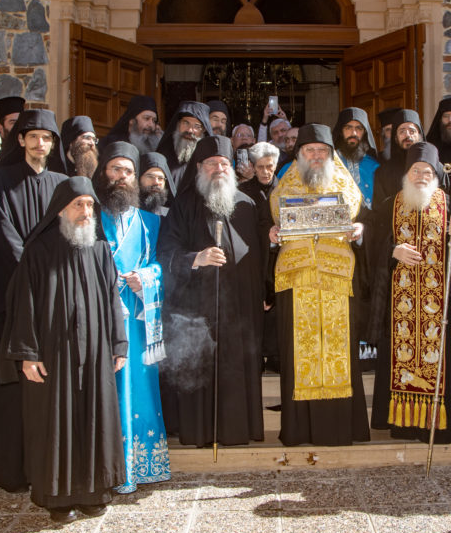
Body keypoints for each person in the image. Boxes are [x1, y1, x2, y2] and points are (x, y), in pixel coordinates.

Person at [1, 177, 127, 523]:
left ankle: (94, 492)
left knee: (95, 420)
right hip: (53, 355)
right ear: (60, 210)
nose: (86, 212)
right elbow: (23, 304)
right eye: (78, 205)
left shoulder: (100, 249)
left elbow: (111, 299)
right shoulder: (38, 251)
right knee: (56, 425)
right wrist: (27, 354)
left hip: (96, 353)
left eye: (90, 205)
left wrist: (118, 343)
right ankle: (58, 499)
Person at [0, 108, 67, 493]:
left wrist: (50, 277)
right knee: (14, 385)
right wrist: (31, 270)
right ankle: (14, 470)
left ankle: (49, 465)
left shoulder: (62, 182)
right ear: (20, 140)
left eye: (46, 138)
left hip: (54, 296)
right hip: (13, 292)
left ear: (53, 144)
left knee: (50, 384)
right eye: (33, 137)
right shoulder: (1, 179)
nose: (40, 143)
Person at [156, 136, 265, 448]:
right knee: (203, 367)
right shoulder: (183, 205)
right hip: (197, 309)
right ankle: (202, 432)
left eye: (224, 163)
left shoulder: (246, 205)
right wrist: (196, 258)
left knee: (237, 367)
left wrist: (262, 293)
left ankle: (239, 431)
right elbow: (165, 253)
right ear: (199, 167)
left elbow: (259, 257)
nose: (219, 168)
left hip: (239, 308)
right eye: (212, 163)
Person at [268, 124, 371, 446]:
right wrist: (270, 234)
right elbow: (267, 226)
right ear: (299, 154)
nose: (316, 155)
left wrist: (360, 229)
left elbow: (368, 222)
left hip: (336, 279)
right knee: (298, 355)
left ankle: (340, 428)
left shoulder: (347, 186)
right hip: (297, 280)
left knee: (339, 352)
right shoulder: (283, 187)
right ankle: (299, 429)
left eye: (322, 151)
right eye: (309, 150)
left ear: (331, 154)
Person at [367, 143, 451, 444]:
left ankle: (439, 425)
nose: (421, 177)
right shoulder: (389, 205)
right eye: (416, 171)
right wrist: (393, 251)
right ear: (406, 174)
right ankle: (402, 424)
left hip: (439, 309)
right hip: (399, 305)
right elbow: (372, 246)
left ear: (436, 175)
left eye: (427, 172)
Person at [93, 143, 171, 493]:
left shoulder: (151, 222)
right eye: (115, 169)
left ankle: (138, 467)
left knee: (137, 389)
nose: (121, 177)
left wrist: (147, 277)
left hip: (138, 321)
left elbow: (161, 265)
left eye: (128, 171)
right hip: (99, 317)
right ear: (103, 173)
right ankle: (106, 468)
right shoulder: (90, 215)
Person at [239, 141, 281, 374]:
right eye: (260, 167)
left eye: (270, 166)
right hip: (253, 261)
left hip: (280, 260)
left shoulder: (286, 189)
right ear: (253, 167)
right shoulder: (242, 192)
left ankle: (276, 357)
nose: (265, 171)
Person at [371, 109, 423, 211]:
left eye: (412, 131)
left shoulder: (433, 168)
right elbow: (379, 210)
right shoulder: (382, 172)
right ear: (395, 138)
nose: (407, 135)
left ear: (420, 135)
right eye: (402, 131)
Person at [153, 101, 212, 188]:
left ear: (204, 130)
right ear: (178, 124)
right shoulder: (163, 153)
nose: (190, 130)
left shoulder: (209, 159)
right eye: (186, 123)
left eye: (197, 126)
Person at [332, 107, 380, 210]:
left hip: (369, 219)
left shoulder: (374, 165)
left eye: (359, 128)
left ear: (364, 132)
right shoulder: (330, 163)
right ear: (340, 131)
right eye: (348, 128)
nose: (353, 133)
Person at [138, 152, 175, 217]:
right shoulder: (127, 212)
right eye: (150, 177)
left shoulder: (171, 215)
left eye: (160, 178)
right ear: (139, 178)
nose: (156, 182)